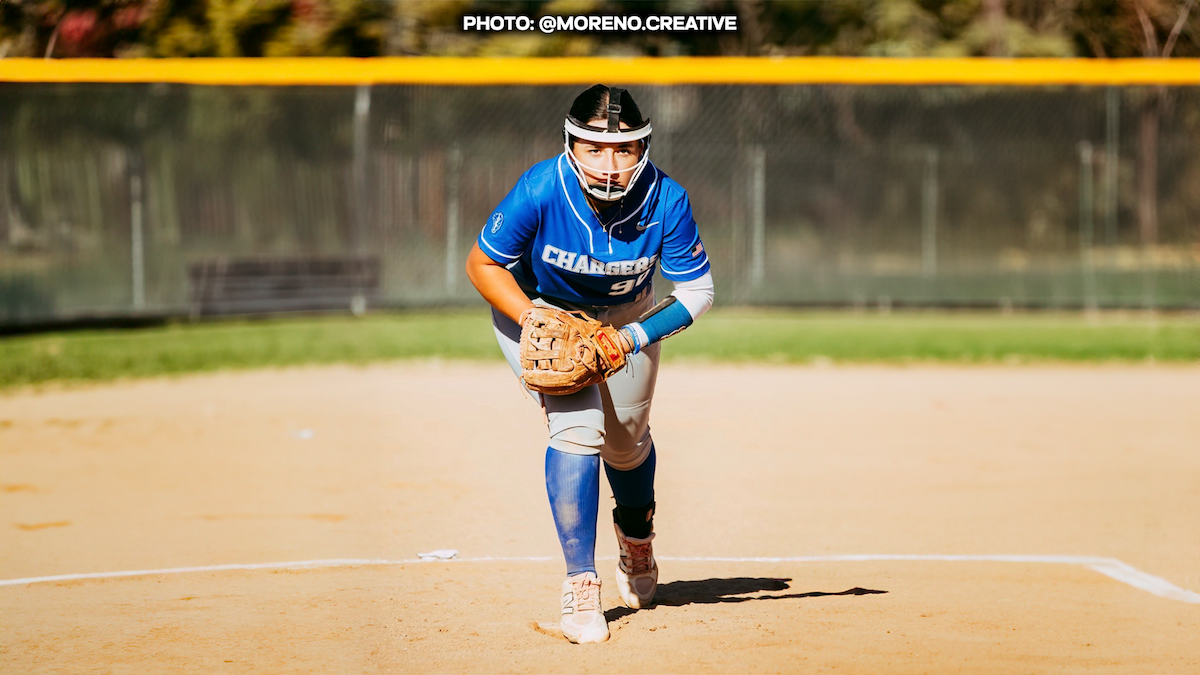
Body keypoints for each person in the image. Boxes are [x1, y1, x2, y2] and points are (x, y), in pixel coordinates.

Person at [464, 84, 715, 644]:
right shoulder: (540, 188)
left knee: (625, 443)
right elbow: (482, 265)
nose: (609, 162)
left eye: (624, 149)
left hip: (627, 319)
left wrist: (628, 338)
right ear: (570, 144)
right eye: (594, 147)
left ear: (643, 148)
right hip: (539, 313)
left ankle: (636, 536)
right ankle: (581, 582)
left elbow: (697, 290)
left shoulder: (666, 198)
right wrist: (534, 321)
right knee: (578, 427)